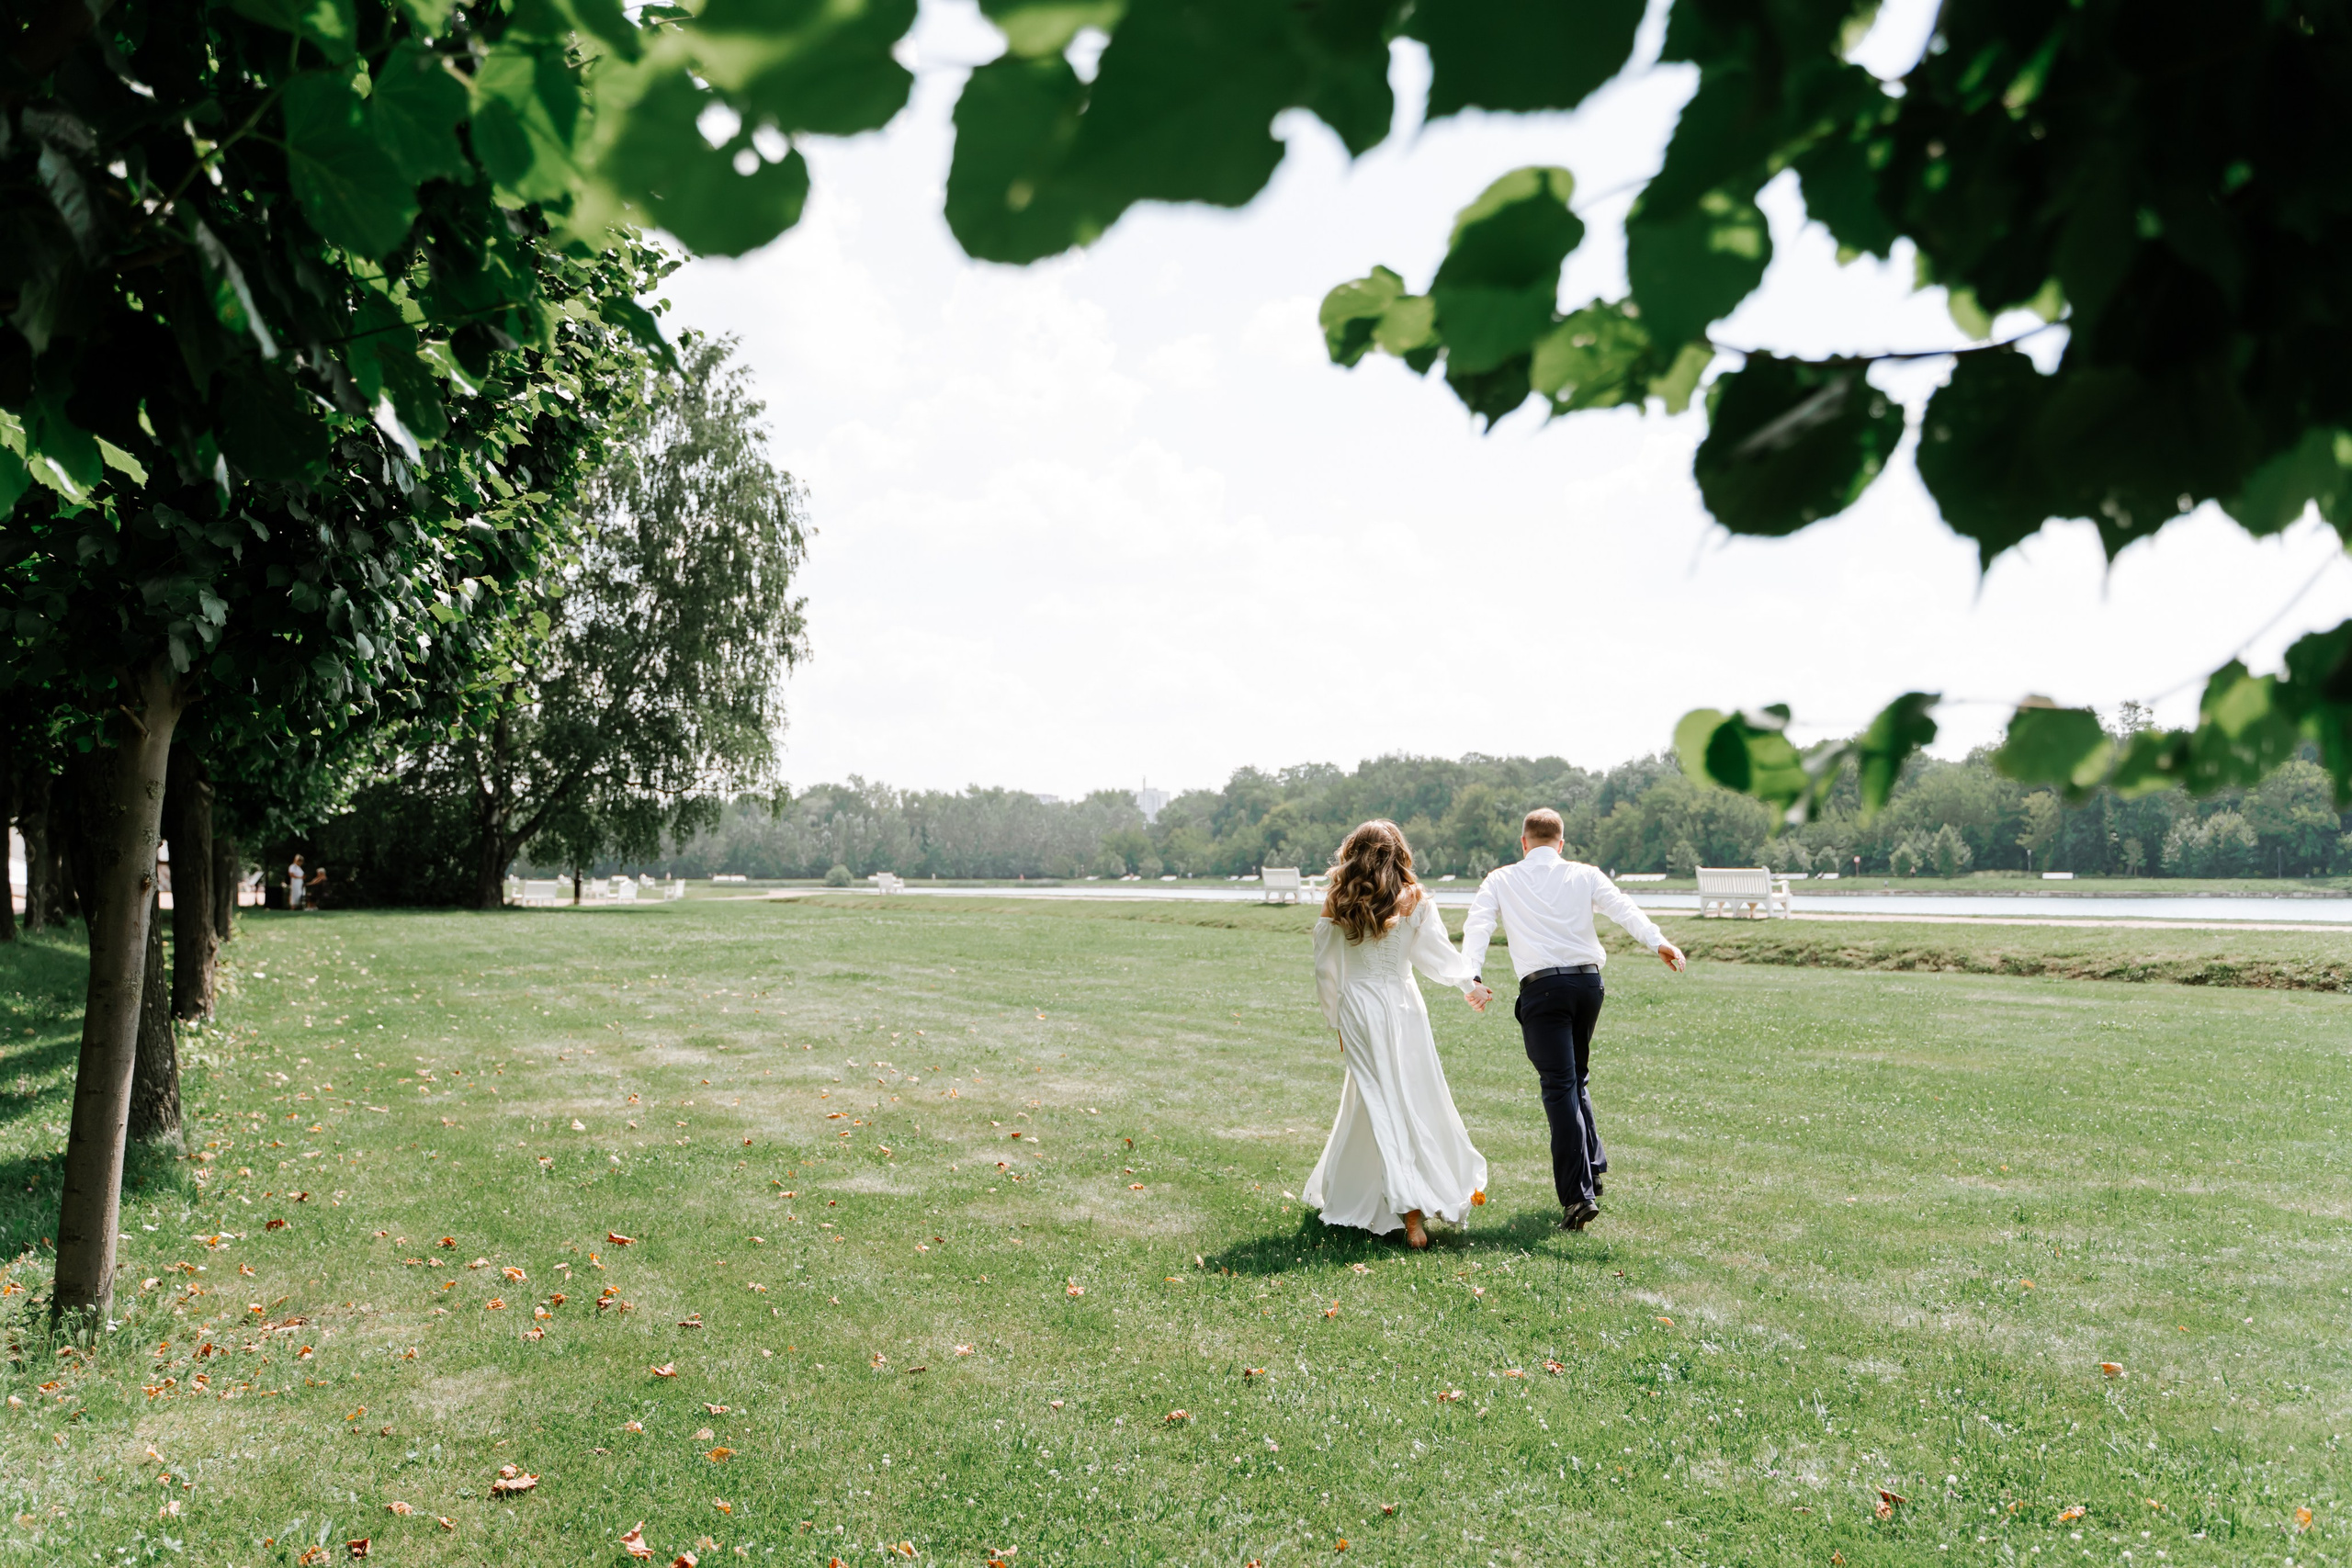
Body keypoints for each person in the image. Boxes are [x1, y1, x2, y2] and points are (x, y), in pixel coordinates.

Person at [1461, 808, 1686, 1233]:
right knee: (1575, 1077)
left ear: (1524, 842)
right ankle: (1593, 1169)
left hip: (1544, 989)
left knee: (1560, 1086)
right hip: (1588, 986)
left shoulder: (1501, 879)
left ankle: (1577, 1197)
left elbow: (1479, 926)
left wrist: (1471, 976)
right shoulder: (1584, 874)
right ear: (1560, 843)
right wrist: (1658, 941)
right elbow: (1623, 908)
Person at [1302, 820, 1487, 1250]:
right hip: (1404, 1006)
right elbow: (1437, 956)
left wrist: (1335, 1020)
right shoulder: (1415, 897)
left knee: (1378, 1099)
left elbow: (1325, 969)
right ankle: (1400, 1197)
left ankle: (1407, 1206)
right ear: (1399, 852)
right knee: (1408, 1096)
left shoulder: (1339, 898)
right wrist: (1469, 983)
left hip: (1359, 1006)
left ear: (1353, 851)